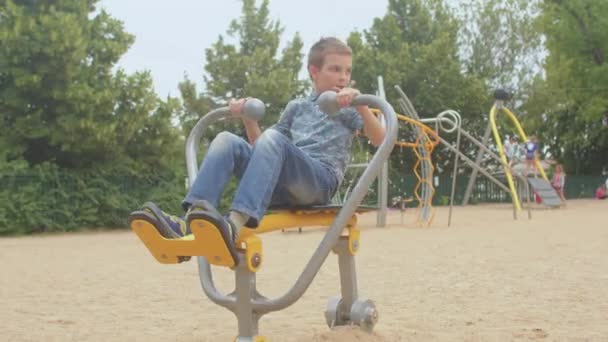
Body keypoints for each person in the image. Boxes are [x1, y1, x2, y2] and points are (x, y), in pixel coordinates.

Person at [130, 37, 385, 261]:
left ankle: (235, 223)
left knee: (273, 138)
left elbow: (380, 139)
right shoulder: (296, 106)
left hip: (318, 182)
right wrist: (248, 119)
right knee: (225, 139)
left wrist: (360, 103)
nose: (343, 77)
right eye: (335, 69)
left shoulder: (348, 107)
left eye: (347, 71)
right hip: (279, 184)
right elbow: (263, 149)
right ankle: (192, 223)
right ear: (314, 72)